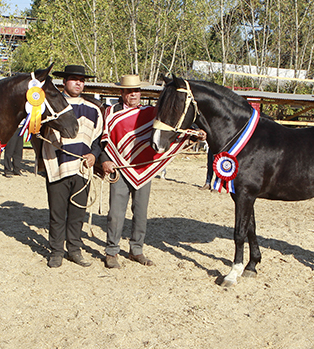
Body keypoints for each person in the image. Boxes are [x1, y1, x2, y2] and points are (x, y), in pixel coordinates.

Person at [99, 74, 203, 268]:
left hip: (143, 170)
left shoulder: (151, 113)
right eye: (129, 91)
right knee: (115, 212)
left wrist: (194, 134)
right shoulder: (111, 113)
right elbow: (103, 141)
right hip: (119, 168)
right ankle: (112, 251)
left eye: (136, 91)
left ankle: (136, 250)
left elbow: (172, 125)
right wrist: (105, 161)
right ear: (122, 92)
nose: (133, 94)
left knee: (140, 212)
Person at [40, 65, 104, 268]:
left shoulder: (94, 109)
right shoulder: (50, 106)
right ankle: (56, 251)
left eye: (81, 80)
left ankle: (74, 250)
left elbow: (99, 138)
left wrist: (94, 156)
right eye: (74, 79)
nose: (79, 83)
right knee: (57, 213)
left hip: (83, 168)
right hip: (56, 165)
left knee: (77, 214)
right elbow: (38, 131)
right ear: (64, 82)